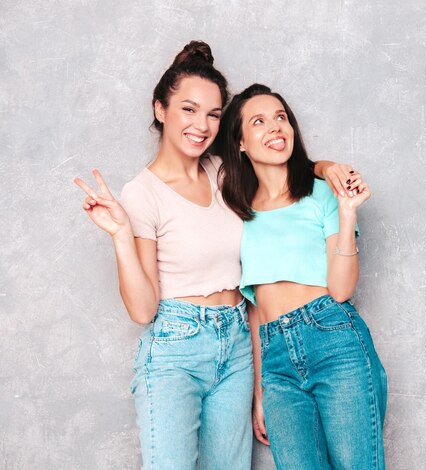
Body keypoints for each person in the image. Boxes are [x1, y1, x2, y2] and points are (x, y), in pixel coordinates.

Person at [74, 41, 357, 470]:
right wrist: (119, 235)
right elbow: (142, 309)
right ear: (160, 110)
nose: (201, 125)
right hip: (176, 347)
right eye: (188, 109)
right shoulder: (141, 194)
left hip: (238, 345)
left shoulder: (225, 173)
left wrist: (327, 167)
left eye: (212, 113)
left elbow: (283, 163)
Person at [218, 83, 388, 470]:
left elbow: (342, 289)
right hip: (276, 361)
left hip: (333, 340)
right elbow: (256, 311)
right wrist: (260, 391)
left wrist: (346, 213)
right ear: (241, 143)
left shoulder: (323, 194)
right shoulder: (239, 213)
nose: (275, 128)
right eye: (259, 121)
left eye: (281, 118)